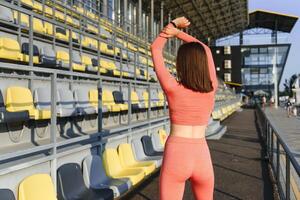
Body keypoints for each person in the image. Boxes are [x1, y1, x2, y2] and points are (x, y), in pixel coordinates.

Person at [151, 17, 217, 200]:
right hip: (202, 154)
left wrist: (171, 27)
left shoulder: (173, 88)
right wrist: (179, 34)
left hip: (176, 155)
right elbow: (206, 50)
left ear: (181, 64)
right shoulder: (211, 88)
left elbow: (155, 49)